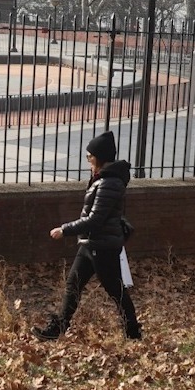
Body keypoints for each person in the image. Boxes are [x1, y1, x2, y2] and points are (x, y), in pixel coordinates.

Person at [32, 131, 141, 341]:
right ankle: (58, 329)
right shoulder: (102, 179)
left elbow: (95, 219)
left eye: (90, 156)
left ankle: (133, 333)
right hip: (91, 243)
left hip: (102, 246)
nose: (88, 160)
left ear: (99, 157)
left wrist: (64, 229)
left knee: (116, 291)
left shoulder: (110, 183)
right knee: (73, 285)